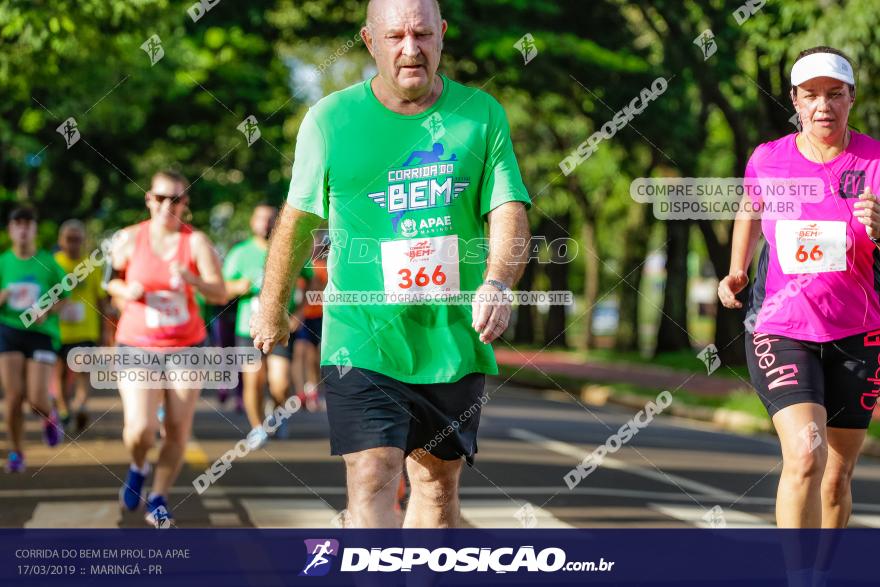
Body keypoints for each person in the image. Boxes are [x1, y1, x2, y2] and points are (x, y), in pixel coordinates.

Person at [251, 0, 531, 528]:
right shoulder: (330, 120)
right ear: (369, 40)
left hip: (452, 340)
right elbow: (296, 219)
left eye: (423, 35)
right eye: (396, 36)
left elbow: (509, 208)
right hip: (361, 337)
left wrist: (497, 281)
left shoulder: (481, 115)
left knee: (437, 490)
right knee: (374, 473)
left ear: (442, 34)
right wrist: (270, 305)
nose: (411, 49)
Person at [719, 47, 880, 529]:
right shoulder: (769, 159)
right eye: (810, 96)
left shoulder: (876, 160)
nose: (822, 106)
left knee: (837, 474)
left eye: (835, 95)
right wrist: (736, 270)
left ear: (852, 98)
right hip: (781, 326)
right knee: (806, 457)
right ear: (795, 100)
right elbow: (750, 208)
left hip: (859, 331)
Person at [107, 170, 226, 526]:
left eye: (175, 198)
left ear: (185, 203)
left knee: (176, 427)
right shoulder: (128, 238)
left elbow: (220, 292)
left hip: (186, 346)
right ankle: (138, 464)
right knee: (139, 429)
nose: (166, 205)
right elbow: (110, 281)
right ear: (148, 199)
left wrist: (193, 280)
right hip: (137, 344)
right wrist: (124, 291)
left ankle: (158, 496)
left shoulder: (197, 243)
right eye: (160, 197)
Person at [224, 203, 309, 446]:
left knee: (280, 383)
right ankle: (256, 427)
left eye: (271, 219)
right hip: (247, 328)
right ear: (252, 222)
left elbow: (311, 283)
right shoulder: (240, 253)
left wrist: (299, 314)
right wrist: (239, 287)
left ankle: (279, 413)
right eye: (260, 219)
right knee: (253, 380)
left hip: (281, 327)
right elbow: (223, 288)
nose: (265, 224)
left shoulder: (290, 249)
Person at [0, 206, 68, 473]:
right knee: (14, 396)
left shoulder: (48, 262)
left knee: (37, 400)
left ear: (35, 229)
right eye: (18, 224)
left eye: (28, 223)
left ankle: (49, 415)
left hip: (40, 334)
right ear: (11, 230)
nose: (23, 229)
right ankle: (16, 452)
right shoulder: (3, 261)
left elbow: (64, 295)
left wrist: (48, 309)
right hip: (8, 330)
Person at [53, 219, 110, 434]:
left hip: (86, 329)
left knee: (83, 370)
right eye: (69, 239)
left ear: (84, 241)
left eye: (77, 240)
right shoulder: (53, 264)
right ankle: (64, 409)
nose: (73, 244)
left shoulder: (92, 265)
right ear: (61, 241)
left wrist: (106, 332)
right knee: (58, 372)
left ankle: (81, 403)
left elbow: (101, 300)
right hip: (58, 329)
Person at [291, 233, 327, 412]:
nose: (316, 248)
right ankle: (300, 393)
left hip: (319, 315)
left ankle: (312, 389)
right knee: (299, 352)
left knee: (313, 355)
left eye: (319, 245)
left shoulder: (324, 267)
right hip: (304, 315)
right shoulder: (304, 266)